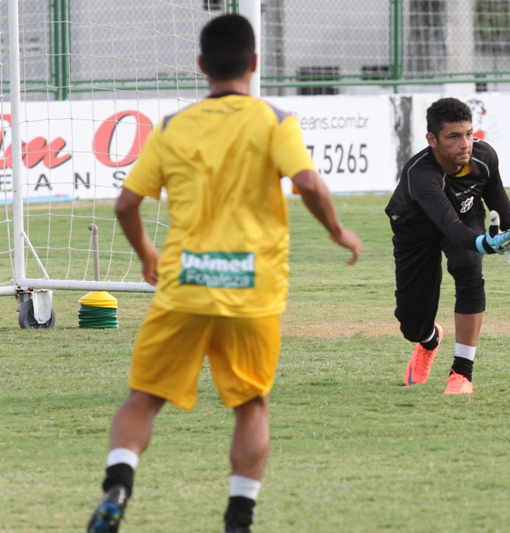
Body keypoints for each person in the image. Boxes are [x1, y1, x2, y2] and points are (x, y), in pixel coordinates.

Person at [86, 14, 362, 533]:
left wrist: (146, 254)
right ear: (254, 64)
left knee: (143, 397)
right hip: (252, 291)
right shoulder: (274, 120)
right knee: (251, 404)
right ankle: (239, 519)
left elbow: (125, 204)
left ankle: (118, 486)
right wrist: (337, 231)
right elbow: (309, 182)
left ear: (200, 65)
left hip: (184, 287)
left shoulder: (172, 126)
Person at [385, 97, 510, 395]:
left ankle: (461, 374)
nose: (465, 144)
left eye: (468, 133)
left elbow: (497, 199)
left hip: (465, 219)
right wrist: (485, 243)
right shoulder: (420, 173)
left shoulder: (484, 156)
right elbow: (449, 225)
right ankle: (429, 340)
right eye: (453, 137)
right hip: (416, 231)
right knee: (411, 324)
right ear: (432, 139)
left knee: (468, 270)